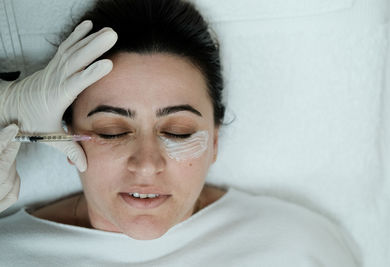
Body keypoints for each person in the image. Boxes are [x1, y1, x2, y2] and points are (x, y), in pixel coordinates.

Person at [0, 0, 360, 266]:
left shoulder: (297, 247)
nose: (146, 165)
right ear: (64, 135)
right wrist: (6, 108)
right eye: (111, 131)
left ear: (215, 141)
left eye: (178, 131)